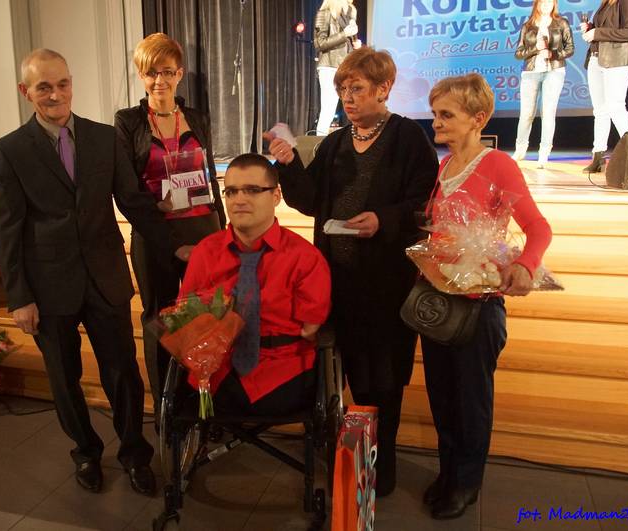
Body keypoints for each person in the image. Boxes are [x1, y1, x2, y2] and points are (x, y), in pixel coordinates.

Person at [0, 49, 190, 496]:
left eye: (62, 84)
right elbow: (6, 228)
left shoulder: (104, 138)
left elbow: (132, 201)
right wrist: (19, 297)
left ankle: (135, 454)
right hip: (48, 286)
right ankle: (85, 451)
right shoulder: (10, 150)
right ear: (26, 92)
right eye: (43, 87)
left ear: (71, 83)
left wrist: (174, 245)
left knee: (122, 372)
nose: (55, 94)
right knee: (64, 379)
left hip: (105, 278)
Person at [266, 47, 439, 496]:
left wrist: (384, 219)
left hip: (385, 285)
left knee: (382, 380)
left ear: (383, 89)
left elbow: (425, 204)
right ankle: (349, 459)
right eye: (343, 88)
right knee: (338, 376)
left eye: (357, 88)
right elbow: (309, 201)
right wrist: (289, 164)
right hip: (335, 281)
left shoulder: (407, 138)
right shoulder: (335, 143)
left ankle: (381, 469)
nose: (347, 96)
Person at [423, 73, 552, 519]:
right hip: (442, 298)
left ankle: (466, 484)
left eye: (446, 114)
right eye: (435, 114)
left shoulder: (498, 165)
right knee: (442, 395)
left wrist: (525, 265)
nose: (436, 122)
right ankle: (447, 473)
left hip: (478, 304)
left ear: (478, 118)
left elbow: (539, 228)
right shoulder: (444, 166)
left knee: (471, 400)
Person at [114, 33, 226, 424]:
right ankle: (168, 407)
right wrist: (154, 211)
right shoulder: (128, 121)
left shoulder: (198, 118)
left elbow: (208, 176)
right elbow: (126, 188)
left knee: (206, 316)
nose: (159, 80)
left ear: (179, 73)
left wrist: (222, 229)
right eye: (151, 73)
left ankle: (206, 402)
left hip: (203, 228)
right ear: (140, 75)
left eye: (166, 72)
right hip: (155, 232)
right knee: (159, 318)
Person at [178, 153, 331, 416]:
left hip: (282, 375)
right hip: (216, 373)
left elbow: (310, 329)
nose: (239, 200)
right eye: (232, 191)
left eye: (252, 190)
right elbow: (185, 316)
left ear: (276, 196)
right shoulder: (206, 252)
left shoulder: (305, 258)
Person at [580, 0, 628, 173]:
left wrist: (597, 32)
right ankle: (598, 157)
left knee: (616, 107)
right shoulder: (606, 2)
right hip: (596, 58)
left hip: (617, 60)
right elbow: (607, 27)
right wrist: (591, 28)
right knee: (600, 110)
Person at [512, 0, 575, 168]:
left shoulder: (561, 23)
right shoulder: (528, 26)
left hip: (554, 71)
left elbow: (570, 48)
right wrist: (536, 48)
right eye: (543, 1)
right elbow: (518, 53)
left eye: (550, 1)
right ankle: (520, 149)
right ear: (537, 4)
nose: (546, 4)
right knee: (526, 113)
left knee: (548, 113)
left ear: (554, 4)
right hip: (530, 72)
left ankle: (544, 153)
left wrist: (553, 54)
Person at [314, 0, 362, 136]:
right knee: (328, 109)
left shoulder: (349, 15)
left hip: (347, 68)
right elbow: (319, 43)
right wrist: (344, 34)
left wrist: (356, 46)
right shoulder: (324, 13)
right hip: (330, 66)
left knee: (354, 106)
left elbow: (349, 43)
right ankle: (320, 144)